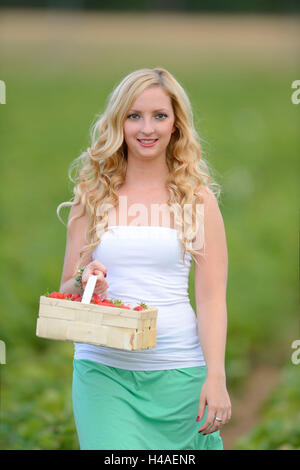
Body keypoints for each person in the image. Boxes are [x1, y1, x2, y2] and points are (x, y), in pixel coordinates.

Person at [57, 67, 231, 450]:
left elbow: (211, 298)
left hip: (179, 369)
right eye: (134, 116)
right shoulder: (92, 194)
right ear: (119, 123)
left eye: (159, 116)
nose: (146, 128)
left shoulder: (197, 199)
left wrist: (215, 376)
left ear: (176, 125)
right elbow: (66, 287)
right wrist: (85, 279)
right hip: (103, 371)